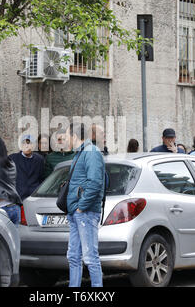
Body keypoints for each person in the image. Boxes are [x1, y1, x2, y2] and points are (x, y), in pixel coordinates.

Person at [66, 122, 105, 287]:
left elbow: (95, 182)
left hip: (85, 212)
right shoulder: (80, 153)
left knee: (90, 257)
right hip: (77, 212)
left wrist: (81, 206)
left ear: (74, 136)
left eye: (67, 136)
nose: (65, 140)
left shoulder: (91, 152)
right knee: (73, 256)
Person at [9, 135, 45, 200]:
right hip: (18, 196)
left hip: (34, 196)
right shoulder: (13, 158)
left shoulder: (39, 159)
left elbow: (41, 178)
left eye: (29, 143)